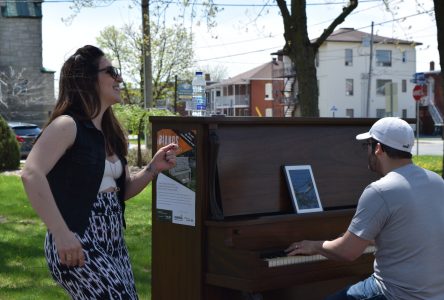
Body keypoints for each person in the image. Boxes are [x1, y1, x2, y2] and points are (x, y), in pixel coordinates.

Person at [21, 45, 178, 299]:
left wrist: (152, 169)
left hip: (114, 241)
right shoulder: (67, 125)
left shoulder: (110, 133)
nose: (119, 79)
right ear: (88, 79)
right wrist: (61, 234)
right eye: (111, 72)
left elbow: (122, 191)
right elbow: (31, 174)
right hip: (76, 239)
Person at [285, 117, 444, 300]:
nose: (366, 151)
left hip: (394, 294)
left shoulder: (381, 190)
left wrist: (314, 246)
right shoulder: (437, 181)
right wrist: (369, 239)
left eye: (367, 145)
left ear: (378, 149)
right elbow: (415, 232)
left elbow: (347, 252)